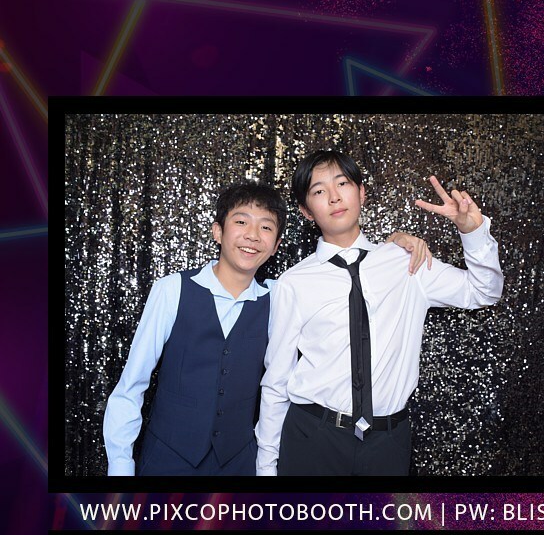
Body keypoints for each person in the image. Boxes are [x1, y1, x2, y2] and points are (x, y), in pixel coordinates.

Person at [103, 176, 432, 478]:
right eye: (241, 222)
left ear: (275, 246)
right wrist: (120, 468)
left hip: (240, 465)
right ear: (218, 231)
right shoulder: (172, 290)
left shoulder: (280, 296)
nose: (252, 235)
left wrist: (394, 246)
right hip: (166, 462)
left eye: (265, 227)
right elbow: (131, 386)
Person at [256, 149, 504, 477]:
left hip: (387, 442)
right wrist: (266, 467)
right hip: (312, 437)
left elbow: (484, 291)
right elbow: (277, 380)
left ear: (361, 192)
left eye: (342, 183)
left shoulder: (408, 262)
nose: (333, 197)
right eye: (318, 191)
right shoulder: (294, 283)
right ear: (306, 211)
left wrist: (473, 232)